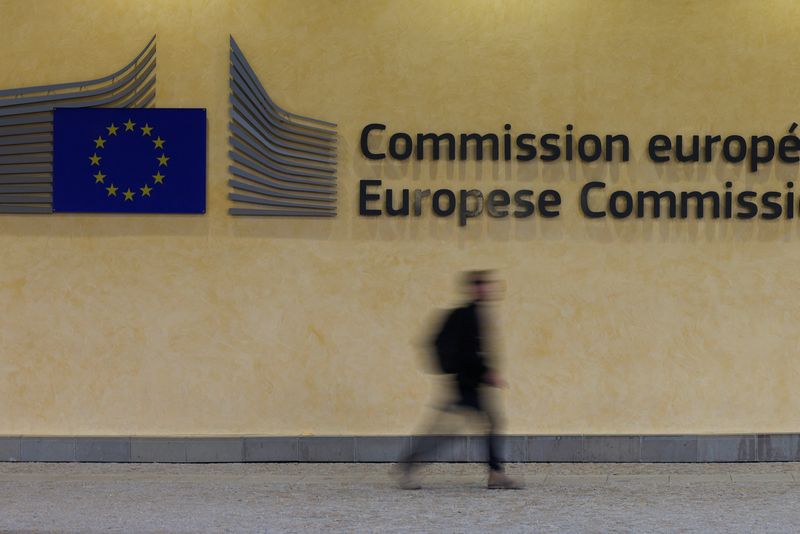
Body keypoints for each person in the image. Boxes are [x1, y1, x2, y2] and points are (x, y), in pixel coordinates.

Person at [396, 270, 522, 490]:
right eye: (481, 285)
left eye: (486, 284)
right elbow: (468, 352)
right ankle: (407, 466)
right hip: (465, 384)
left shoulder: (475, 313)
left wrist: (484, 373)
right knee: (446, 431)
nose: (486, 289)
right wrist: (486, 373)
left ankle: (495, 473)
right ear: (473, 288)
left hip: (471, 383)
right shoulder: (466, 314)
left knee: (481, 424)